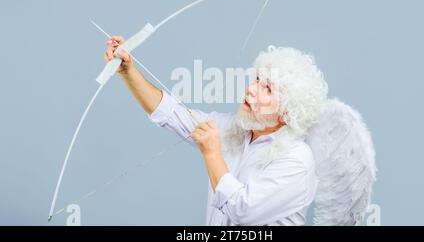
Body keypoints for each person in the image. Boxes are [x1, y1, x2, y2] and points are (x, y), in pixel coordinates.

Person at [104, 36, 329, 225]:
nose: (250, 88)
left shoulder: (297, 160)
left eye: (266, 88)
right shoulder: (233, 128)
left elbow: (243, 210)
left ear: (288, 113)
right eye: (257, 79)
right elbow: (171, 114)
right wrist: (128, 72)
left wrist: (212, 154)